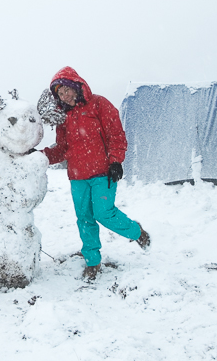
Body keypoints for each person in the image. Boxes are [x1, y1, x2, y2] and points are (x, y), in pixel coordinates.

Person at [41, 66, 150, 281]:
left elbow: (116, 135)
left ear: (75, 86)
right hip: (77, 177)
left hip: (102, 173)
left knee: (104, 213)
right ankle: (92, 261)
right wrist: (41, 157)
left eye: (66, 90)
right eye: (60, 93)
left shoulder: (99, 104)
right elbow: (62, 148)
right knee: (84, 219)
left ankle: (137, 232)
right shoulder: (65, 117)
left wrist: (116, 161)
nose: (64, 96)